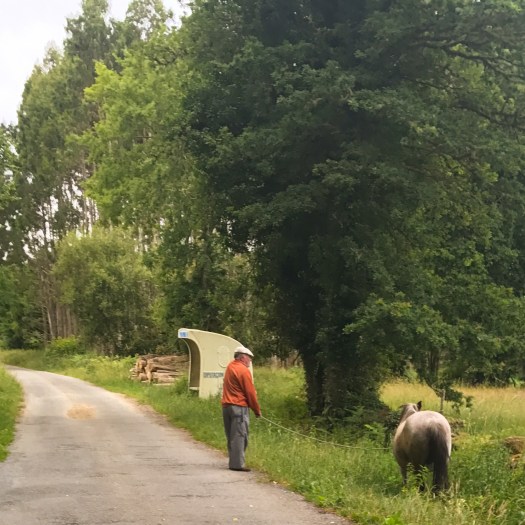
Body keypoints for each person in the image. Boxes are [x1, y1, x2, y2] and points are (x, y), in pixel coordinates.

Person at [221, 345, 262, 472]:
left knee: (231, 435)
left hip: (226, 406)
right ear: (243, 357)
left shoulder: (230, 367)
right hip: (239, 407)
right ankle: (237, 465)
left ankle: (233, 461)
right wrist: (257, 410)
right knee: (240, 435)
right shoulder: (243, 371)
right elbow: (250, 393)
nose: (250, 361)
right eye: (249, 358)